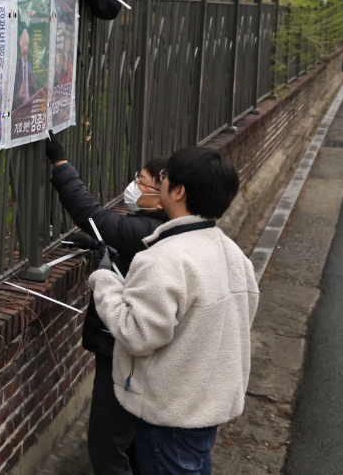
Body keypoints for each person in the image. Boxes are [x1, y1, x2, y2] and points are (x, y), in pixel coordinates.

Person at [89, 147, 259, 475]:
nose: (158, 183)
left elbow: (137, 335)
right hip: (206, 407)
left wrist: (106, 282)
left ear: (178, 191)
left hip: (170, 413)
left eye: (164, 178)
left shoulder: (164, 259)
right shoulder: (233, 254)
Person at [47, 136, 167, 475]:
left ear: (163, 197)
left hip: (124, 351)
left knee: (107, 444)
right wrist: (101, 244)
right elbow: (112, 234)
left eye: (142, 183)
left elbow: (91, 214)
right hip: (134, 350)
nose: (133, 186)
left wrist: (60, 165)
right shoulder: (160, 227)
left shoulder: (147, 228)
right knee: (131, 440)